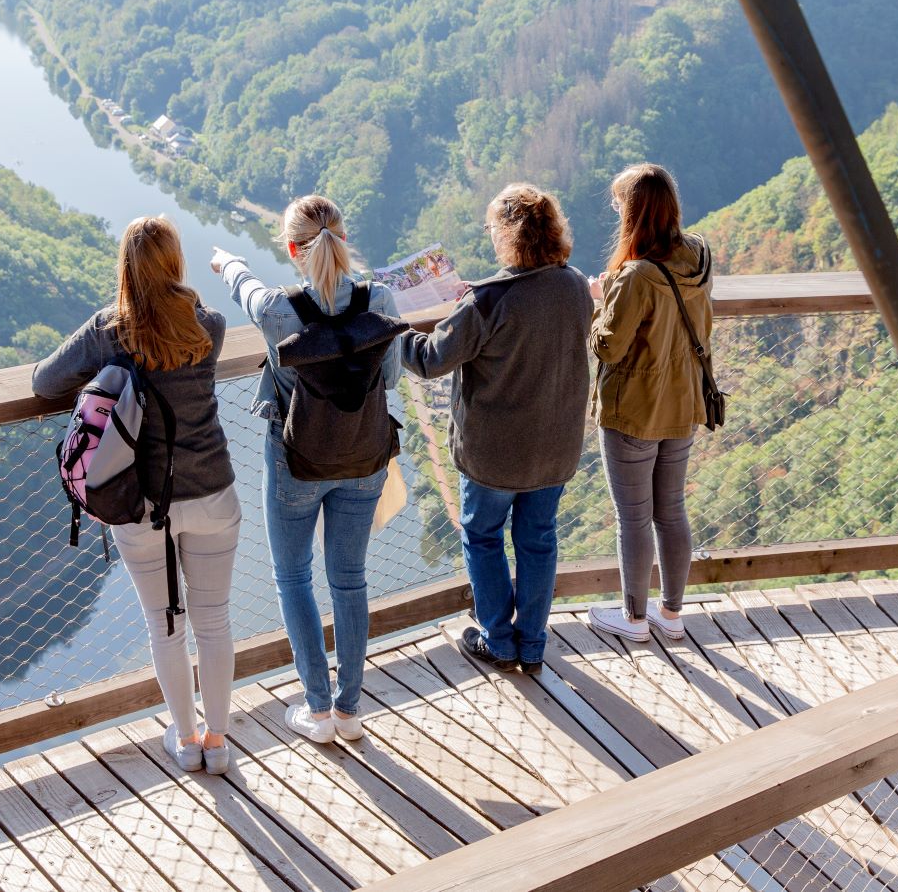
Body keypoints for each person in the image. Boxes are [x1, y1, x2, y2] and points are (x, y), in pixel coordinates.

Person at [33, 217, 239, 774]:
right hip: (213, 493)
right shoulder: (210, 326)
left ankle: (187, 737)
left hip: (142, 505)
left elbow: (43, 383)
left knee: (164, 624)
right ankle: (218, 743)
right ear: (176, 263)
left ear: (125, 268)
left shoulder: (109, 331)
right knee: (214, 620)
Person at [211, 195, 403, 743]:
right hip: (365, 458)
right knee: (350, 580)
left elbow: (244, 289)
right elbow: (388, 378)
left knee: (293, 576)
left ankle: (316, 710)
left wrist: (228, 264)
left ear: (293, 249)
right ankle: (348, 710)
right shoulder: (379, 297)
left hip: (298, 459)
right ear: (343, 238)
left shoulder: (279, 308)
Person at [400, 184, 592, 675]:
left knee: (483, 536)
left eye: (491, 229)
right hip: (555, 448)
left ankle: (499, 641)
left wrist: (392, 328)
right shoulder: (572, 286)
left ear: (508, 235)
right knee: (538, 539)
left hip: (495, 455)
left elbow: (429, 360)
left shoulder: (487, 301)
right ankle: (531, 644)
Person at [587, 164, 715, 644]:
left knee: (634, 517)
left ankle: (635, 620)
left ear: (633, 211)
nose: (616, 210)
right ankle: (672, 614)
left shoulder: (637, 276)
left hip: (634, 412)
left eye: (620, 203)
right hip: (684, 404)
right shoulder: (698, 256)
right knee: (672, 511)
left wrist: (601, 299)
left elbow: (608, 348)